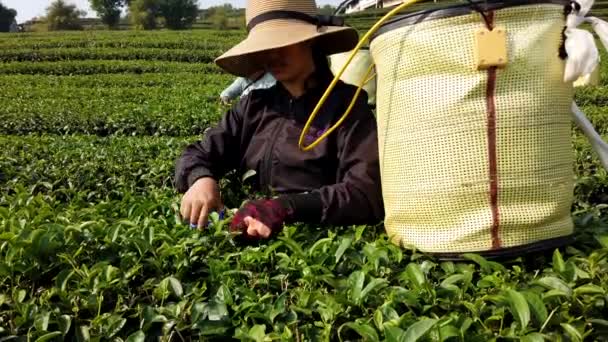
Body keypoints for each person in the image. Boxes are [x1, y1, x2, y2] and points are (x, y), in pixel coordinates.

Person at [175, 0, 384, 239]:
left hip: (311, 250)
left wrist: (286, 207)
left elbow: (364, 192)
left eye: (283, 43)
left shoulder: (347, 108)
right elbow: (198, 153)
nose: (272, 55)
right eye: (265, 46)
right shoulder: (254, 105)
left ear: (310, 40)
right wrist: (200, 178)